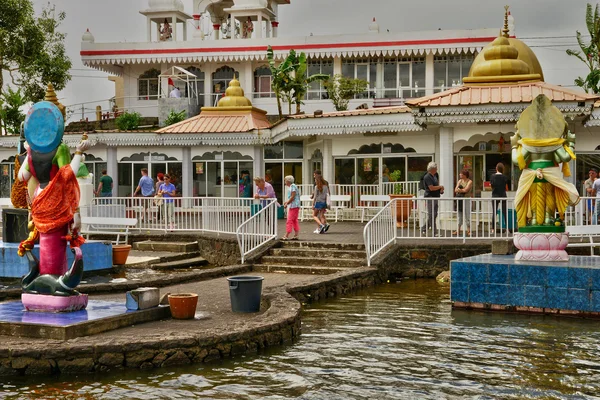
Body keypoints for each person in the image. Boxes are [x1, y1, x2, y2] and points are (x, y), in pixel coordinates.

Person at [421, 162, 443, 236]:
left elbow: (436, 185)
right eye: (436, 168)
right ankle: (434, 232)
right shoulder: (427, 177)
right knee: (431, 214)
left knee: (434, 214)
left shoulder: (436, 175)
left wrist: (440, 189)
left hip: (436, 196)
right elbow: (431, 188)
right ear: (432, 169)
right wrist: (440, 187)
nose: (437, 169)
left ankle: (424, 228)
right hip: (430, 196)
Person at [453, 169, 472, 236]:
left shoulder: (469, 181)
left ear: (465, 175)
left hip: (466, 199)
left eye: (461, 174)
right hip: (460, 199)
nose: (460, 175)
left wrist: (459, 190)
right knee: (459, 214)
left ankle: (468, 230)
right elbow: (455, 190)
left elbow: (466, 190)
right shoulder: (459, 181)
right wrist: (461, 190)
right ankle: (458, 229)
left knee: (467, 214)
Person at [490, 163, 508, 233]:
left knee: (494, 212)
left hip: (495, 195)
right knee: (504, 212)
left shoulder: (492, 176)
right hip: (503, 195)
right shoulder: (504, 177)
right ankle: (506, 229)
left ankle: (493, 229)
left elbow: (491, 186)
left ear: (496, 168)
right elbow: (506, 187)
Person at [282, 175, 300, 240]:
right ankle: (296, 234)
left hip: (294, 205)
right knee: (294, 220)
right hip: (295, 205)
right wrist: (287, 202)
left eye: (285, 180)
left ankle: (287, 234)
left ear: (288, 181)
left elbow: (293, 196)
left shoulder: (292, 186)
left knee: (289, 220)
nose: (285, 182)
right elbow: (292, 197)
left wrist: (287, 203)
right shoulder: (292, 186)